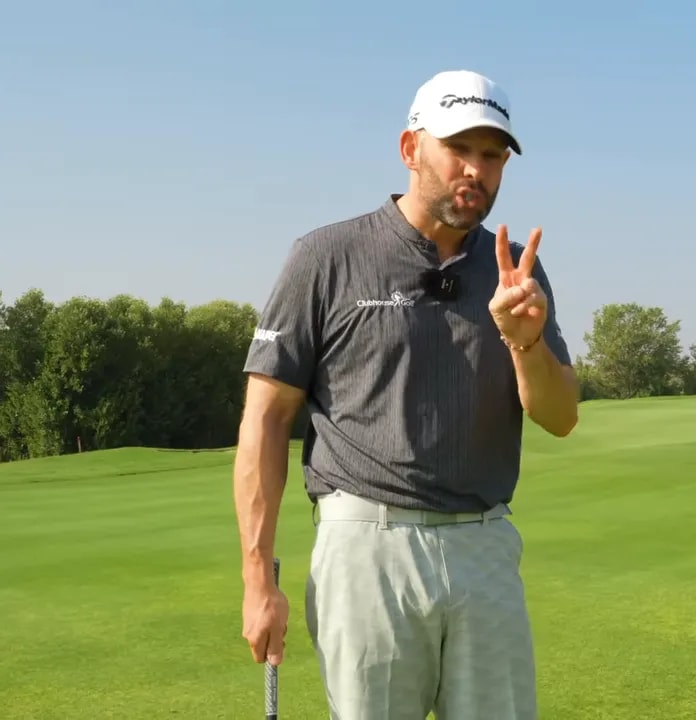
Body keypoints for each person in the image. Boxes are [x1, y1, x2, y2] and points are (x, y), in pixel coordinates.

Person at [232, 69, 579, 719]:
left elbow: (560, 417)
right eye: (458, 148)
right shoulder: (325, 257)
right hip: (367, 546)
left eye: (492, 155)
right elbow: (266, 419)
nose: (475, 169)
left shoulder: (514, 274)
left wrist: (525, 342)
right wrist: (258, 580)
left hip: (485, 546)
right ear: (410, 148)